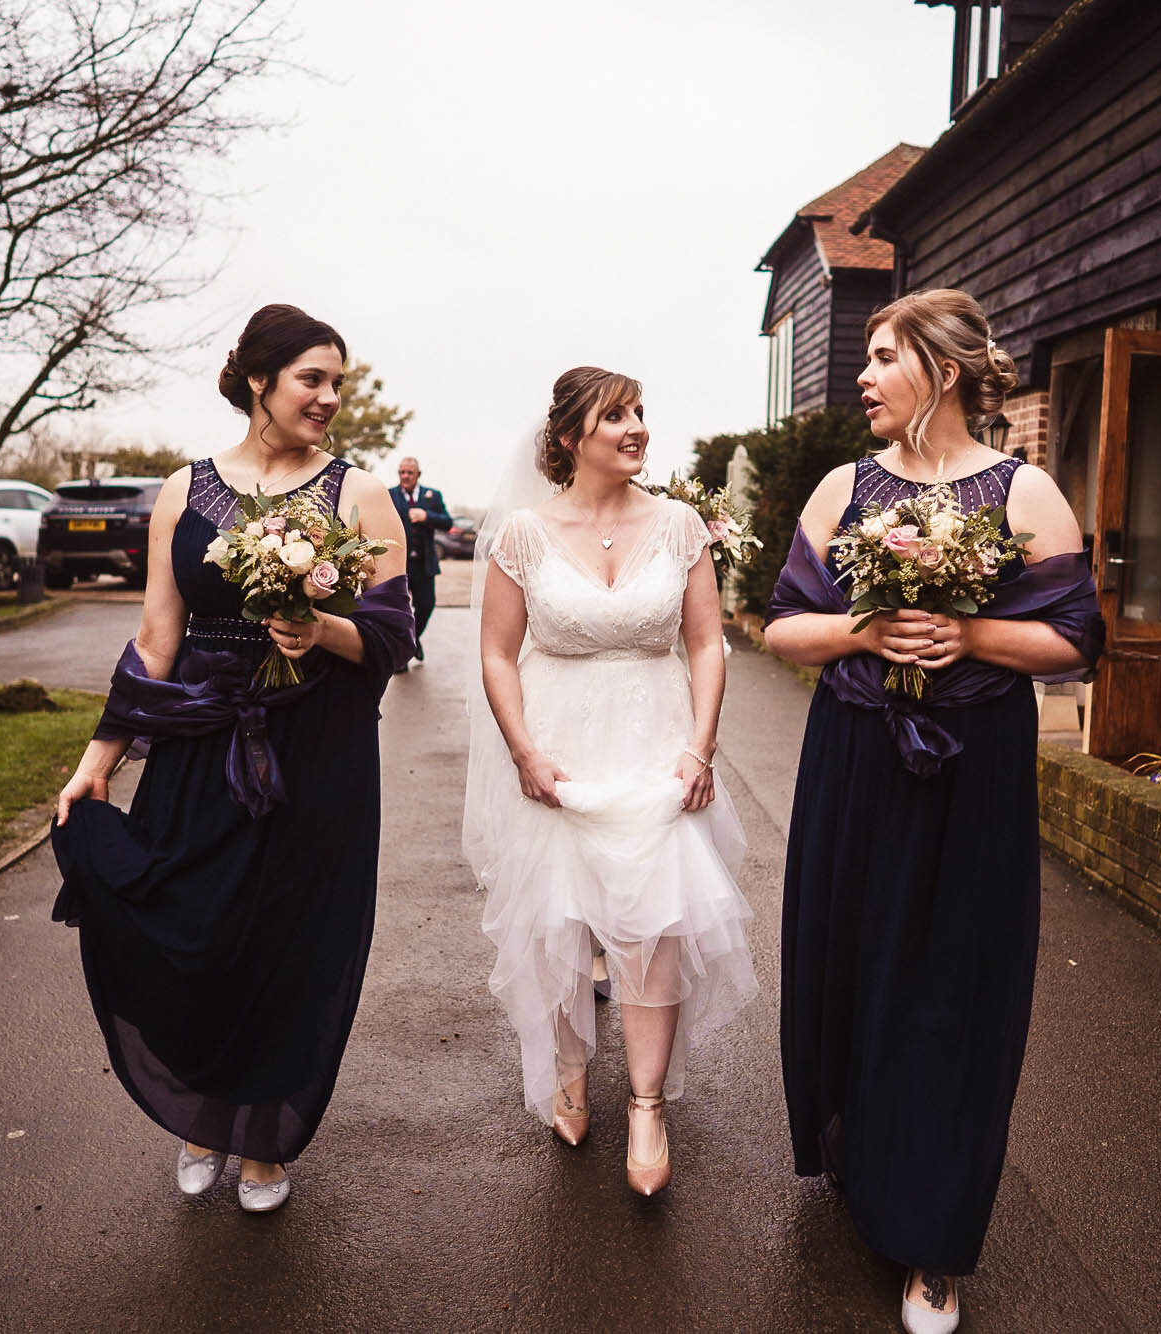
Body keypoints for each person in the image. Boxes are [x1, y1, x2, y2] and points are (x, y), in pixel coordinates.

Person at [763, 290, 1103, 1333]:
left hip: (970, 775)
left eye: (879, 357)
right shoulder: (840, 489)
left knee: (953, 983)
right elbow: (781, 628)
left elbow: (1077, 640)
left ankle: (932, 1240)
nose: (860, 376)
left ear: (941, 370)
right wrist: (864, 631)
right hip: (855, 759)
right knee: (852, 960)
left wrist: (971, 636)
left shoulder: (1025, 489)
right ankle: (864, 1158)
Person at [48, 304, 415, 1213]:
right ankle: (204, 1116)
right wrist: (101, 756)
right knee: (197, 926)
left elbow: (393, 634)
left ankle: (261, 1140)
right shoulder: (182, 489)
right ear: (259, 379)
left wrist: (318, 625)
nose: (329, 398)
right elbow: (155, 640)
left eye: (339, 382)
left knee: (291, 939)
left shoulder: (361, 495)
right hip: (203, 742)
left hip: (317, 751)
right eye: (312, 379)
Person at [464, 367, 757, 1196]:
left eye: (639, 414)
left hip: (657, 748)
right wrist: (523, 750)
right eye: (615, 417)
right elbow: (494, 652)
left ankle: (648, 1104)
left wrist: (700, 750)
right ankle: (566, 1070)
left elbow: (706, 644)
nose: (636, 429)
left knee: (651, 924)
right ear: (568, 439)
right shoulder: (522, 534)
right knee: (562, 916)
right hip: (558, 746)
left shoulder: (680, 525)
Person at [390, 456, 452, 666]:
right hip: (398, 564)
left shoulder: (432, 496)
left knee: (426, 605)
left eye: (409, 472)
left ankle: (412, 639)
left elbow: (447, 522)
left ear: (418, 475)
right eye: (401, 472)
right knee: (398, 611)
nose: (405, 476)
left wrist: (427, 516)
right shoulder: (389, 495)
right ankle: (401, 658)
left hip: (424, 564)